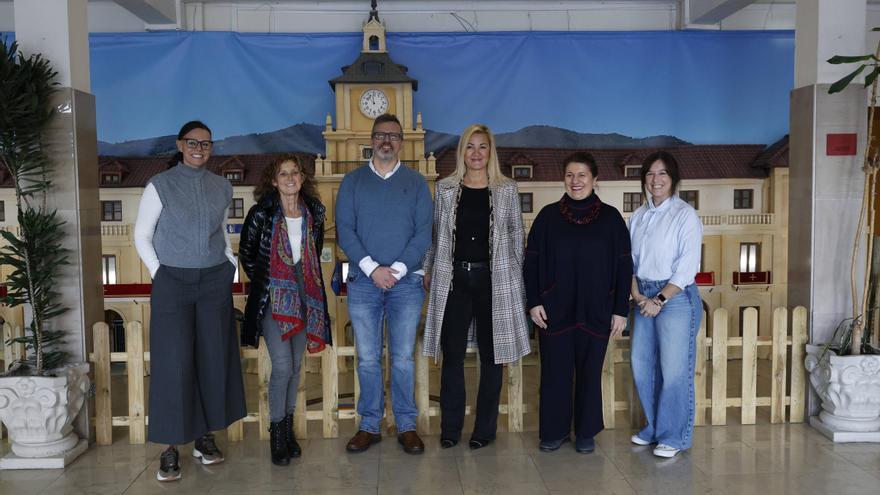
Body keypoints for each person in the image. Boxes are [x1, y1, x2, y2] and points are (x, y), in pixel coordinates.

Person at [134, 120, 246, 482]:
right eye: (193, 142)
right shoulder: (160, 185)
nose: (200, 148)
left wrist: (230, 265)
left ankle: (204, 438)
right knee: (174, 363)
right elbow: (141, 235)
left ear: (212, 148)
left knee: (213, 359)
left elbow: (223, 234)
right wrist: (160, 273)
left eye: (206, 143)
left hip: (214, 280)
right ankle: (170, 448)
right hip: (172, 282)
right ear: (181, 145)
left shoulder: (221, 187)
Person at [422, 124, 530, 450]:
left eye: (483, 147)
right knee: (452, 355)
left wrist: (514, 278)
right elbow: (435, 235)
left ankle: (484, 430)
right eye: (470, 146)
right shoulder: (444, 189)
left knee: (492, 356)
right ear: (462, 152)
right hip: (455, 279)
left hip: (493, 281)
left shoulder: (507, 190)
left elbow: (516, 237)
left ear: (491, 151)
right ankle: (450, 429)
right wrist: (429, 268)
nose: (477, 153)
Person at [335, 113, 433, 454]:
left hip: (406, 285)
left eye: (392, 135)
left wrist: (399, 270)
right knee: (367, 359)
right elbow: (345, 230)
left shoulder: (417, 183)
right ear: (372, 140)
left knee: (404, 358)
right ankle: (369, 425)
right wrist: (374, 269)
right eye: (380, 135)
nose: (386, 141)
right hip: (363, 282)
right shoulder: (352, 182)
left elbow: (424, 233)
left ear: (401, 142)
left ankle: (406, 425)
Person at [523, 152, 631, 454]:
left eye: (582, 175)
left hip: (597, 311)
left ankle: (585, 432)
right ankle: (554, 431)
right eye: (570, 175)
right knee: (555, 374)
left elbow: (624, 266)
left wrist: (620, 310)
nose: (576, 181)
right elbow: (530, 265)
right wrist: (533, 302)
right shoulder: (546, 217)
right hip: (554, 312)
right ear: (564, 179)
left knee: (589, 373)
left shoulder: (611, 219)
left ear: (595, 179)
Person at [239, 154, 331, 466]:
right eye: (283, 173)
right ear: (274, 180)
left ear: (303, 178)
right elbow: (247, 255)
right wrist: (272, 284)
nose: (290, 178)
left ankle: (288, 430)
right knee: (281, 366)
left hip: (306, 298)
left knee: (295, 366)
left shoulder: (313, 213)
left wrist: (299, 286)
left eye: (295, 173)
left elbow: (313, 256)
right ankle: (277, 435)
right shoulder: (260, 214)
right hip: (273, 301)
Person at [628, 150, 703, 458]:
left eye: (662, 174)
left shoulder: (685, 215)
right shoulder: (639, 216)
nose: (655, 180)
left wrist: (659, 299)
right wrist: (638, 296)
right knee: (642, 366)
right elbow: (629, 264)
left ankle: (674, 435)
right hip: (642, 295)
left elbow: (687, 267)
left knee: (673, 370)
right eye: (649, 174)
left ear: (673, 179)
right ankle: (655, 427)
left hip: (674, 297)